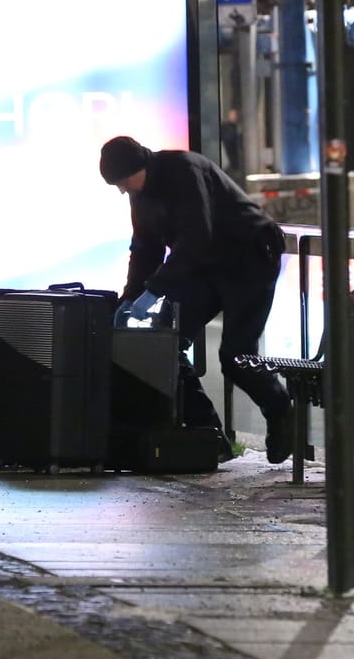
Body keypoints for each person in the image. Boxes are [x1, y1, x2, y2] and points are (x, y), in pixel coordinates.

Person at [98, 135, 301, 463]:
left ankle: (280, 412)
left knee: (236, 356)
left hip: (248, 258)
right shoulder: (140, 194)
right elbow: (145, 249)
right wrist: (130, 297)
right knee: (164, 345)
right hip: (207, 267)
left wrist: (155, 290)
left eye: (123, 181)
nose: (124, 190)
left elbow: (196, 236)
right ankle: (208, 434)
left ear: (140, 166)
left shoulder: (184, 169)